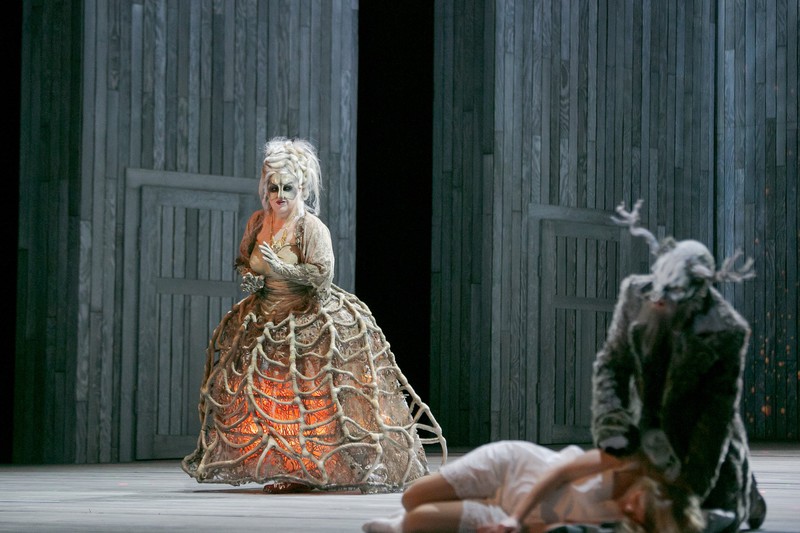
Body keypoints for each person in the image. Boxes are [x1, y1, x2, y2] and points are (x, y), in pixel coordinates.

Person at [181, 136, 447, 493]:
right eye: (273, 187)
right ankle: (284, 463)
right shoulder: (258, 222)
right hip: (263, 318)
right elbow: (244, 261)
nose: (280, 195)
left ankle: (319, 464)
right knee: (266, 394)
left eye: (287, 188)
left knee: (309, 393)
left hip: (306, 317)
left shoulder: (310, 228)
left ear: (302, 188)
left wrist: (282, 269)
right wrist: (252, 276)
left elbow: (322, 275)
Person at [591, 200, 767, 532]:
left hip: (694, 426)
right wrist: (613, 428)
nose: (659, 300)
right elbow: (611, 365)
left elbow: (715, 418)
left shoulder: (727, 331)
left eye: (671, 293)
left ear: (698, 293)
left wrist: (688, 492)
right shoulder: (635, 294)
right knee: (621, 511)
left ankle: (749, 494)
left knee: (716, 513)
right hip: (648, 421)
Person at [361, 438, 704, 533]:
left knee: (416, 521)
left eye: (637, 518)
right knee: (412, 498)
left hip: (510, 513)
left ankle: (400, 526)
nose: (629, 510)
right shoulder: (625, 463)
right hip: (512, 468)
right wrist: (519, 517)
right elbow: (559, 473)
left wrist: (515, 524)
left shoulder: (620, 524)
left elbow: (557, 525)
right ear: (653, 488)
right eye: (638, 504)